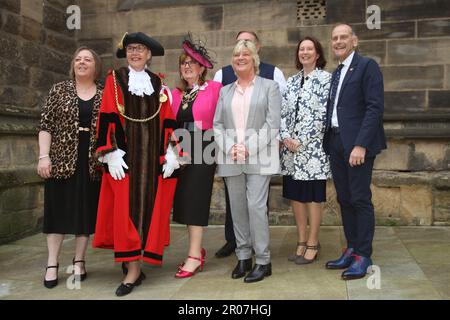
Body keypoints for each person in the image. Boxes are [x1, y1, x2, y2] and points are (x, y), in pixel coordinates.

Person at [93, 32, 179, 296]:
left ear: (149, 54)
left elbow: (167, 120)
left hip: (152, 162)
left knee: (148, 212)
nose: (135, 53)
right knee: (126, 213)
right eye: (131, 49)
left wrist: (173, 152)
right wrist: (111, 152)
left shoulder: (158, 84)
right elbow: (107, 114)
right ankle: (131, 270)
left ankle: (135, 265)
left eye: (140, 49)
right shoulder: (115, 80)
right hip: (125, 160)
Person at [213, 30, 287, 259]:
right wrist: (230, 147)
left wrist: (248, 147)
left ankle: (263, 259)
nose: (240, 58)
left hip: (260, 156)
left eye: (246, 54)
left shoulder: (269, 87)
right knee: (237, 209)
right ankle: (243, 256)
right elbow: (217, 124)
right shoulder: (225, 91)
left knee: (255, 207)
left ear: (254, 58)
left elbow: (272, 123)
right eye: (236, 55)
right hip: (231, 157)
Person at [323, 24, 386, 280]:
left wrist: (360, 144)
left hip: (357, 145)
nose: (338, 41)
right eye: (335, 38)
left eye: (343, 37)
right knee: (345, 199)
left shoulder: (367, 66)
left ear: (354, 41)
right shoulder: (337, 71)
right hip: (336, 143)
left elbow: (374, 108)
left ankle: (363, 255)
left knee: (360, 199)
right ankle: (351, 248)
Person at [37, 46, 103, 289]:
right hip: (61, 159)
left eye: (87, 59)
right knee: (57, 211)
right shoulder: (59, 90)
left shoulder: (105, 94)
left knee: (84, 212)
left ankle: (79, 260)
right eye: (78, 59)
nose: (82, 62)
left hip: (91, 163)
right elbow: (46, 125)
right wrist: (44, 156)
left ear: (96, 67)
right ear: (73, 65)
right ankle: (52, 263)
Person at [171, 35, 222, 278]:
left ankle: (193, 256)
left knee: (196, 201)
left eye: (192, 63)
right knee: (184, 202)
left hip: (204, 147)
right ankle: (195, 249)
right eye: (183, 63)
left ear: (202, 68)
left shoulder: (214, 88)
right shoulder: (175, 94)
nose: (187, 66)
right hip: (179, 151)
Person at [280, 37, 331, 265]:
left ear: (318, 54)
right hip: (290, 152)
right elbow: (280, 113)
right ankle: (300, 242)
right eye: (302, 49)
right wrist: (285, 137)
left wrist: (302, 141)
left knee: (313, 198)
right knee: (296, 197)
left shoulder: (326, 80)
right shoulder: (290, 82)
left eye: (310, 49)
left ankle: (313, 242)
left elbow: (324, 116)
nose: (305, 52)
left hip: (313, 153)